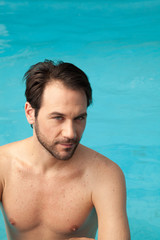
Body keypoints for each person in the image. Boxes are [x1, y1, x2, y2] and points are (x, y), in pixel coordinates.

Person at [0, 60, 130, 240]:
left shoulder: (105, 175)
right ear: (30, 113)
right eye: (58, 117)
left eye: (79, 118)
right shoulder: (3, 165)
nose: (70, 133)